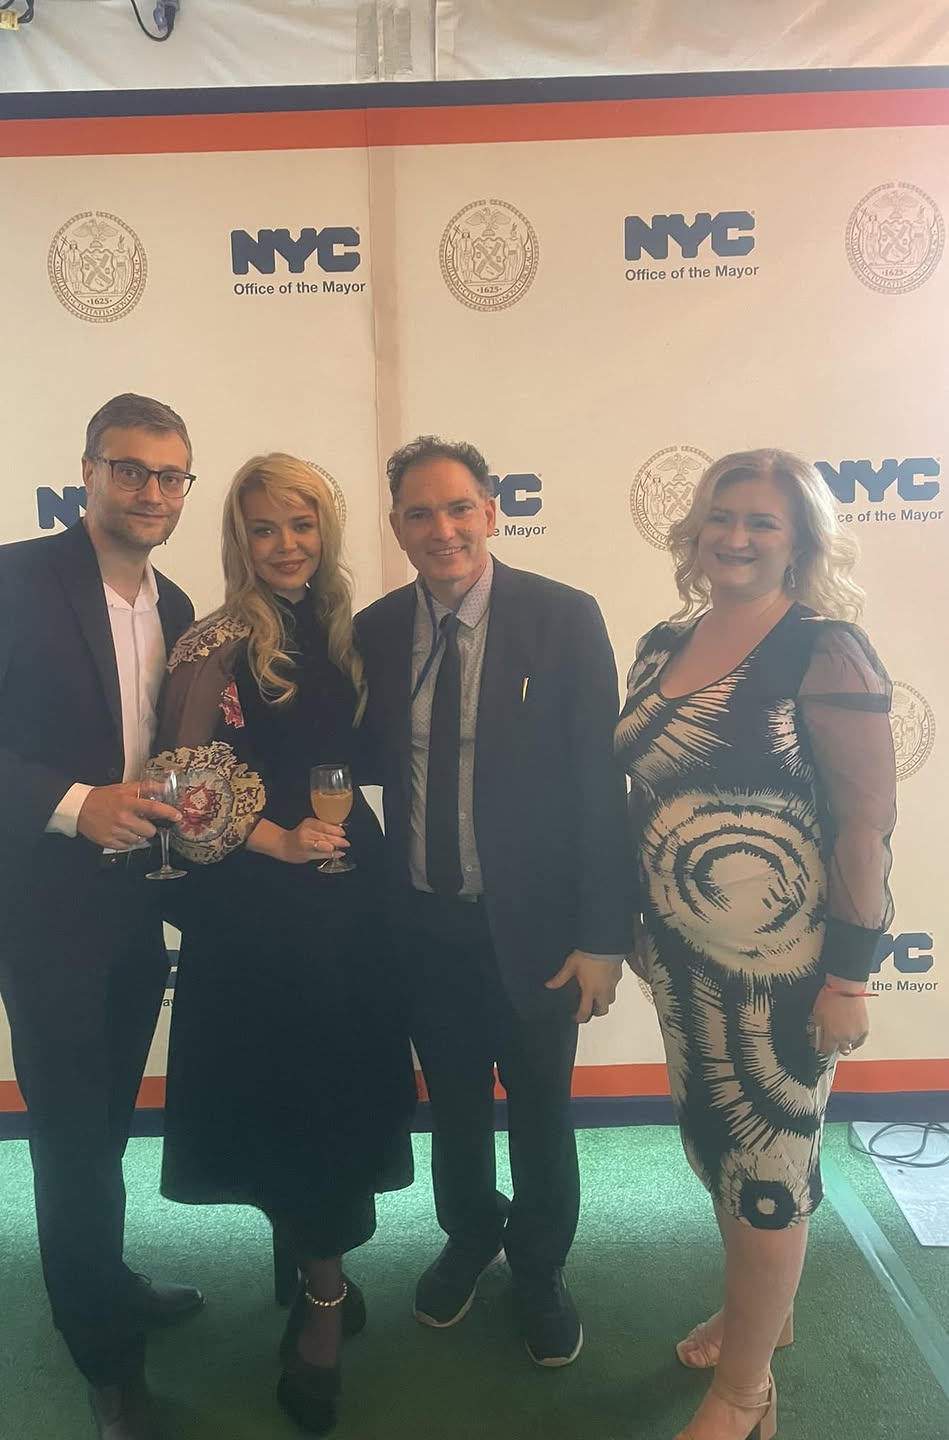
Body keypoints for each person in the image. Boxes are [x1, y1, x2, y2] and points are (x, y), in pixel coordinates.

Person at [0, 394, 201, 1440]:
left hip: (137, 903)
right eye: (130, 469)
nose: (151, 491)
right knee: (73, 1137)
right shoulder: (6, 578)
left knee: (104, 1123)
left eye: (170, 475)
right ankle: (105, 1357)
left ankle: (100, 1279)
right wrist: (78, 805)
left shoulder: (177, 605)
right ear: (87, 473)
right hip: (41, 905)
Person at [615, 448, 896, 1440]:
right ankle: (759, 1322)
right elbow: (642, 792)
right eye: (721, 516)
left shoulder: (825, 649)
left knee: (768, 1179)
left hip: (785, 974)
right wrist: (636, 923)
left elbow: (863, 825)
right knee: (720, 1153)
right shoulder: (661, 643)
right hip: (681, 963)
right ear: (696, 529)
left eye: (761, 522)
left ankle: (743, 1396)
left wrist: (850, 977)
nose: (735, 536)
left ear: (799, 540)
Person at [354, 436, 633, 1367]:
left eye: (458, 508)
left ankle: (540, 1264)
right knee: (457, 1108)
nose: (442, 529)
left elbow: (599, 786)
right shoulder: (376, 631)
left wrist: (604, 936)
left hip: (538, 931)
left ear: (491, 513)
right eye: (420, 513)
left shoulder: (563, 617)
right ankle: (471, 1234)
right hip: (422, 923)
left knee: (542, 1110)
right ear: (397, 527)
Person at [154, 453, 415, 1436]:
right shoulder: (214, 640)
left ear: (326, 532)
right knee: (293, 1104)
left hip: (351, 903)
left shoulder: (347, 629)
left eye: (301, 525)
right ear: (239, 539)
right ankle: (324, 1300)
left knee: (337, 1097)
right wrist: (279, 841)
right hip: (260, 912)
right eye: (264, 528)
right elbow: (179, 780)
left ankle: (314, 1271)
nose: (285, 544)